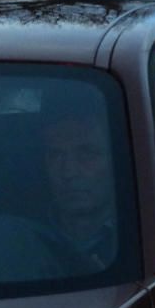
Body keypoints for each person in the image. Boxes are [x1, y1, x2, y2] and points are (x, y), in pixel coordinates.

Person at [41, 94, 119, 271]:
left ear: (115, 159)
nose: (69, 171)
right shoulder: (20, 238)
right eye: (55, 155)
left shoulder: (143, 237)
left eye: (87, 153)